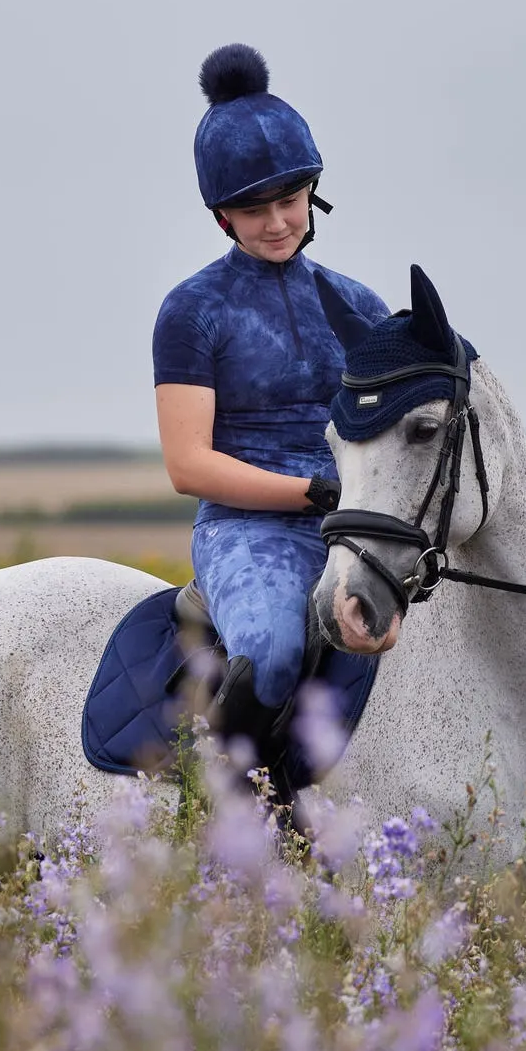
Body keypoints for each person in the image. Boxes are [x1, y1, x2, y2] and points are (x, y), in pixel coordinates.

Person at [152, 43, 389, 772]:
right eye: (254, 210)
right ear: (222, 216)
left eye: (290, 200)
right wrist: (310, 490)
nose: (279, 222)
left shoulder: (360, 304)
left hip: (361, 522)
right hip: (249, 533)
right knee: (274, 653)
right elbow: (188, 465)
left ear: (312, 193)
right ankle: (229, 808)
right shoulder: (193, 311)